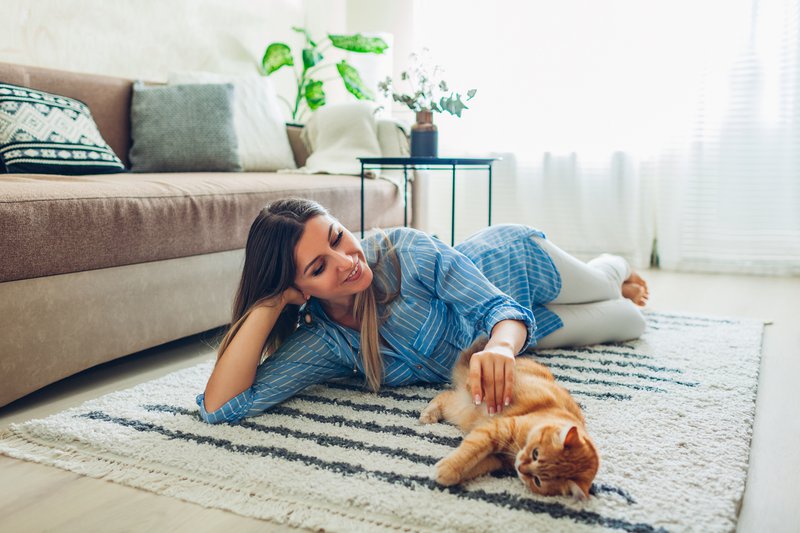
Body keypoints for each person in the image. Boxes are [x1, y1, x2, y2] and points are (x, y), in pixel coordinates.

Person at [198, 198, 648, 424]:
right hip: (530, 328)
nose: (347, 262)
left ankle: (613, 266)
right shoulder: (325, 339)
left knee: (605, 286)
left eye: (338, 237)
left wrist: (502, 350)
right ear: (299, 289)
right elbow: (222, 407)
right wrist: (269, 304)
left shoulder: (405, 251)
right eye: (318, 268)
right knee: (630, 320)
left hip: (517, 267)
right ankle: (615, 288)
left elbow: (498, 307)